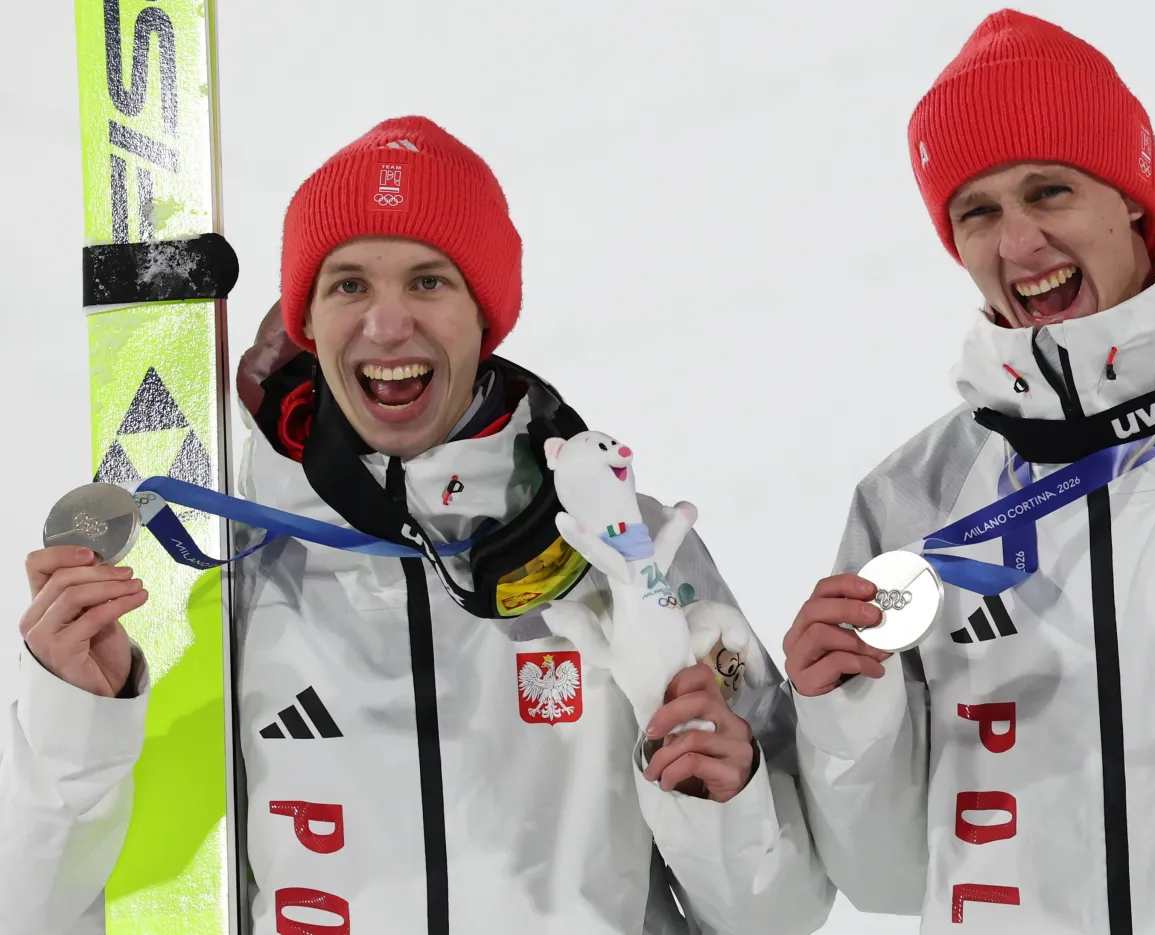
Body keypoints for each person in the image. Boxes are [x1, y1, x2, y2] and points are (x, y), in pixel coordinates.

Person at [1, 116, 834, 934]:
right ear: (308, 320)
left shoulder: (625, 551)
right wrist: (76, 718)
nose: (388, 323)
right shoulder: (216, 566)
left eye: (429, 281)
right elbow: (40, 910)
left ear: (485, 315)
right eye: (349, 284)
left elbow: (785, 910)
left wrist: (726, 802)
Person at [783, 10, 1155, 933]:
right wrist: (844, 712)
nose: (1019, 244)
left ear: (1131, 197)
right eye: (977, 211)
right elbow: (883, 876)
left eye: (1050, 191)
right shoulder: (911, 497)